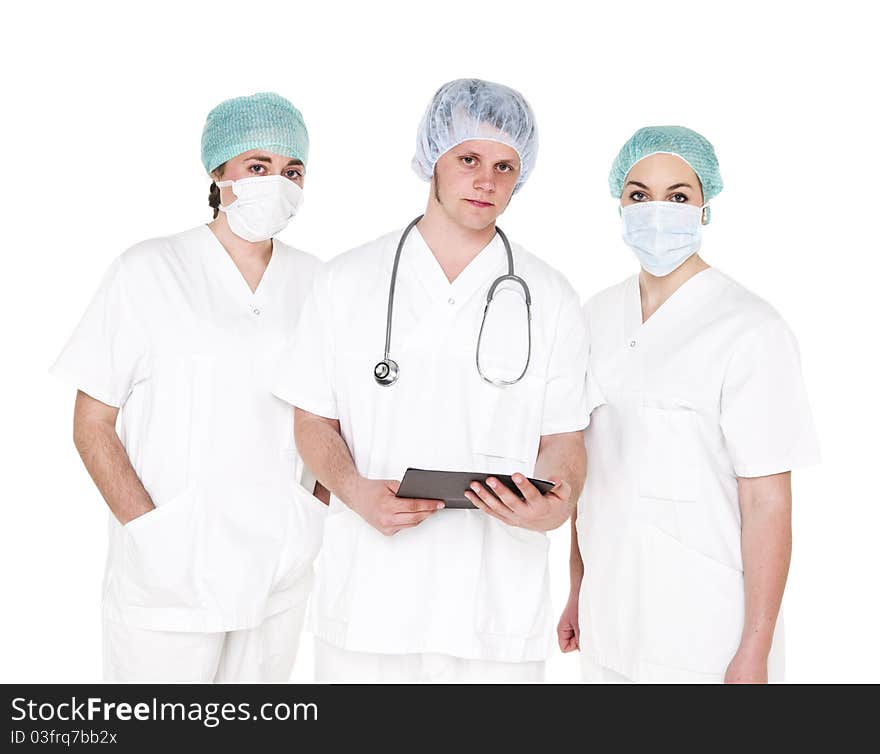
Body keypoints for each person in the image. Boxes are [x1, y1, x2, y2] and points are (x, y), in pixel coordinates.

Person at [273, 78, 592, 682]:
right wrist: (352, 488)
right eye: (468, 158)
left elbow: (566, 437)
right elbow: (313, 419)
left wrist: (559, 503)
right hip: (370, 605)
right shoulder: (346, 282)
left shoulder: (549, 296)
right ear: (433, 159)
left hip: (493, 610)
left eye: (505, 166)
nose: (486, 181)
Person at [51, 92, 329, 682]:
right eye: (257, 167)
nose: (276, 183)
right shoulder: (149, 269)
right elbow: (91, 424)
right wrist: (154, 534)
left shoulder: (317, 283)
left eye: (292, 171)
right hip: (170, 573)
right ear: (219, 172)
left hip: (277, 566)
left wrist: (311, 516)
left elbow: (333, 417)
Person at [558, 125, 820, 683]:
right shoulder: (594, 317)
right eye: (638, 194)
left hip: (706, 635)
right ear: (619, 205)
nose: (657, 211)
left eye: (678, 196)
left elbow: (768, 503)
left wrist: (756, 648)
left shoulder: (750, 329)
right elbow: (586, 473)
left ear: (705, 207)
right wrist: (578, 587)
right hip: (609, 624)